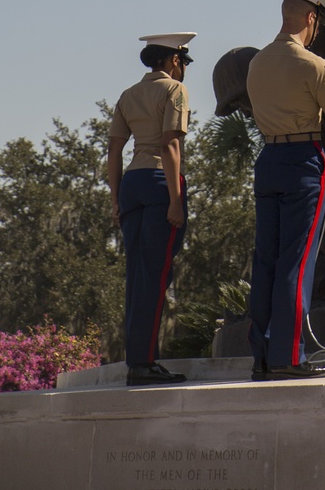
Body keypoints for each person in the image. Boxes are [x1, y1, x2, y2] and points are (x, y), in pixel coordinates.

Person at [246, 0, 325, 380]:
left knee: (267, 262)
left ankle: (263, 357)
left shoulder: (259, 62)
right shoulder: (313, 66)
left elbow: (303, 74)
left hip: (269, 160)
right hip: (302, 162)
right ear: (311, 18)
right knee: (296, 263)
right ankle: (290, 357)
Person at [108, 32, 195, 386]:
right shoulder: (175, 90)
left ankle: (138, 360)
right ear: (174, 60)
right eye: (183, 62)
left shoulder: (129, 95)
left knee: (137, 276)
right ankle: (144, 364)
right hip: (161, 181)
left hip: (131, 183)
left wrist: (116, 199)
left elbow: (114, 150)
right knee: (156, 275)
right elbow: (170, 143)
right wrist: (175, 200)